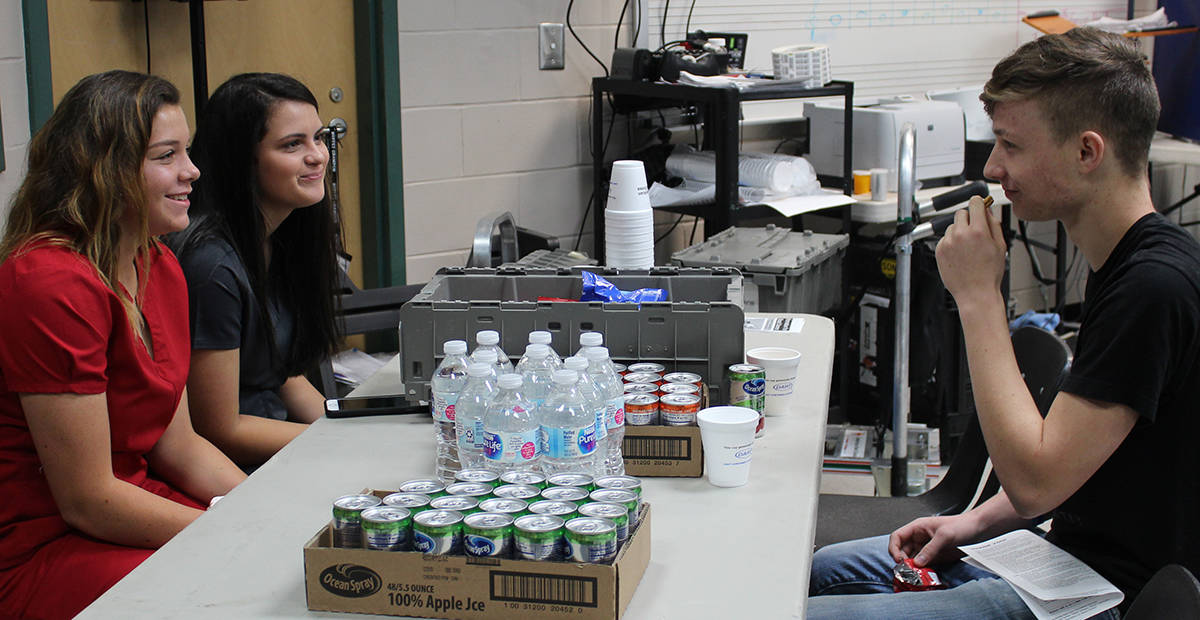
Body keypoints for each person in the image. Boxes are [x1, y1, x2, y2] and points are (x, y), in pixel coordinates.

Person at [808, 27, 1200, 619]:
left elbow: (1037, 484)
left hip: (1106, 593)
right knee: (811, 574)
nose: (992, 168)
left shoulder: (1153, 288)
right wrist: (973, 521)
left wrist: (978, 296)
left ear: (1087, 152)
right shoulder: (1121, 268)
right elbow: (1076, 461)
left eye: (1011, 146)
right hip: (1055, 554)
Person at [0, 71, 247, 619]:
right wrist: (236, 532)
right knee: (233, 594)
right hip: (46, 543)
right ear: (103, 171)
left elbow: (178, 448)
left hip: (129, 509)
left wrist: (265, 511)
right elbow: (86, 498)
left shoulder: (159, 265)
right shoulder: (47, 282)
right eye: (167, 155)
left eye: (188, 151)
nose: (192, 171)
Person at [165, 73, 341, 469]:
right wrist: (340, 441)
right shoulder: (211, 265)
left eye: (318, 137)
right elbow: (219, 428)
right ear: (243, 159)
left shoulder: (280, 235)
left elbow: (283, 373)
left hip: (280, 447)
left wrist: (345, 426)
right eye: (292, 144)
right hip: (234, 469)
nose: (317, 155)